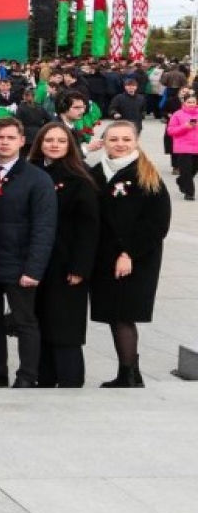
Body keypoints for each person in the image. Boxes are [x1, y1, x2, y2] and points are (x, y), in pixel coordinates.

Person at [0, 117, 57, 390]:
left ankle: (27, 375)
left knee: (25, 321)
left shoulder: (37, 179)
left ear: (21, 141)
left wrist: (34, 269)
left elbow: (44, 227)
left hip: (19, 264)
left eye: (10, 137)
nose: (4, 142)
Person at [90, 121, 171, 388]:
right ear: (104, 142)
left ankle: (129, 374)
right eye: (114, 139)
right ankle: (129, 371)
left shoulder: (147, 175)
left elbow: (157, 224)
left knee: (124, 313)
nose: (120, 144)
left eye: (126, 139)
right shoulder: (96, 172)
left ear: (136, 141)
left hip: (135, 259)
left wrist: (128, 253)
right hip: (105, 258)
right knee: (114, 313)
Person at [29, 122, 99, 388]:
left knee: (64, 326)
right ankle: (44, 378)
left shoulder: (80, 177)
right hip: (37, 262)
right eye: (49, 140)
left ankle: (70, 380)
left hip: (66, 263)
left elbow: (88, 227)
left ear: (69, 145)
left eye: (60, 141)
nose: (54, 145)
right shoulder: (31, 172)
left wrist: (80, 267)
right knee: (41, 323)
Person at [165, 90, 198, 201]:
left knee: (194, 170)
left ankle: (181, 180)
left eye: (193, 102)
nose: (191, 104)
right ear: (184, 103)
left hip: (196, 148)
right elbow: (170, 131)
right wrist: (185, 126)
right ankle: (190, 193)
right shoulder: (177, 114)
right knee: (187, 171)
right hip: (183, 148)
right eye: (189, 102)